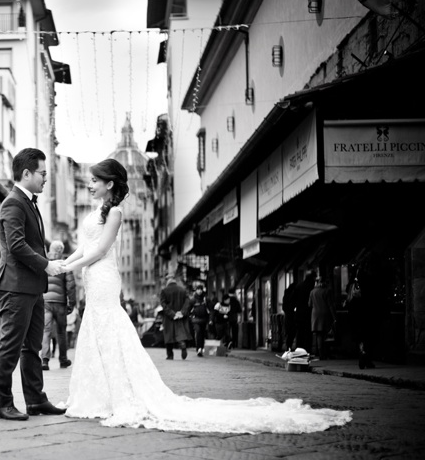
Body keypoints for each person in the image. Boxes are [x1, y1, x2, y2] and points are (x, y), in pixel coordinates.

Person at [58, 158, 351, 433]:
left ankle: (120, 396)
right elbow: (85, 248)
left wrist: (64, 268)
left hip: (105, 278)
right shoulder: (96, 212)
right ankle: (96, 396)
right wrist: (61, 264)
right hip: (92, 277)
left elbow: (99, 250)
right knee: (94, 332)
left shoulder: (117, 213)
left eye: (95, 180)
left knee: (109, 332)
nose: (90, 184)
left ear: (110, 184)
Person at [0, 148, 65, 421]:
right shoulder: (13, 203)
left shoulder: (29, 202)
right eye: (43, 173)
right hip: (15, 287)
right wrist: (47, 264)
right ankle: (4, 404)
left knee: (31, 348)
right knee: (10, 347)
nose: (46, 178)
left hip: (33, 288)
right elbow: (17, 246)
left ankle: (35, 400)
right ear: (26, 173)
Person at [40, 240, 76, 370]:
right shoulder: (64, 264)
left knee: (46, 331)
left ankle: (44, 360)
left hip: (45, 302)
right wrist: (72, 303)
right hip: (60, 303)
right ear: (61, 251)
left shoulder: (44, 261)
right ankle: (63, 359)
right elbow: (71, 285)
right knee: (61, 332)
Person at [160, 277, 191, 360]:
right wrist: (182, 312)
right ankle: (182, 345)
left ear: (168, 282)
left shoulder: (164, 291)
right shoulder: (182, 290)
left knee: (168, 335)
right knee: (180, 333)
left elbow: (163, 304)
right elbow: (187, 302)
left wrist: (172, 314)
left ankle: (170, 355)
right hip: (181, 316)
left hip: (169, 317)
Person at [309, 275, 336, 360]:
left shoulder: (312, 292)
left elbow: (309, 304)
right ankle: (326, 353)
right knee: (326, 334)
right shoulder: (327, 291)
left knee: (319, 335)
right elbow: (331, 305)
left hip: (315, 315)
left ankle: (321, 353)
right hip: (325, 314)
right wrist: (334, 317)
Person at [189, 284, 210, 357]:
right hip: (195, 319)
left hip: (204, 319)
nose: (199, 291)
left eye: (201, 289)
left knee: (202, 333)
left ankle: (201, 347)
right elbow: (188, 309)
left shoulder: (206, 299)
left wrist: (210, 319)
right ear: (196, 290)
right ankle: (198, 348)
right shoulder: (193, 300)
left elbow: (210, 309)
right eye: (198, 289)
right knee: (198, 332)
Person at [282, 281, 298, 351]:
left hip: (287, 315)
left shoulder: (286, 295)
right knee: (292, 331)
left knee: (289, 332)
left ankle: (288, 346)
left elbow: (284, 307)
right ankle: (289, 346)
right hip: (291, 315)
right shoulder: (292, 294)